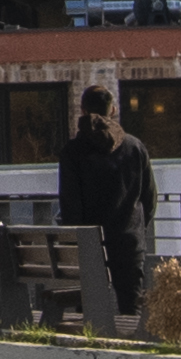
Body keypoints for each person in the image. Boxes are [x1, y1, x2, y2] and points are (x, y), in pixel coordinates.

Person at [57, 89, 154, 325]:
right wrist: (137, 229)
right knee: (132, 311)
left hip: (90, 246)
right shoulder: (134, 147)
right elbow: (149, 198)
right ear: (113, 110)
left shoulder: (72, 152)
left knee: (87, 314)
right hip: (128, 243)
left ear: (82, 110)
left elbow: (70, 205)